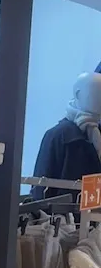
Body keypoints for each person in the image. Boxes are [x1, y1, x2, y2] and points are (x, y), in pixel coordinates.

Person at [32, 71, 101, 199]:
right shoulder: (58, 136)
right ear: (78, 94)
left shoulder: (96, 134)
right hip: (64, 210)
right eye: (96, 93)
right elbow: (40, 188)